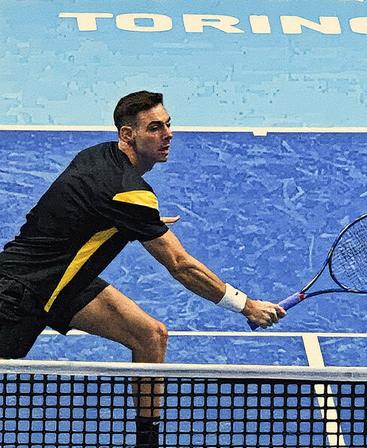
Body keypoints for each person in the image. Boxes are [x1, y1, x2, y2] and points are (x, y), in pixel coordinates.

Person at [0, 91, 285, 447]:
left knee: (150, 336)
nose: (167, 135)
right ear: (127, 134)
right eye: (154, 128)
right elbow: (181, 266)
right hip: (17, 294)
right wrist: (246, 306)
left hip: (68, 282)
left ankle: (147, 441)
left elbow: (81, 210)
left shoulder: (97, 157)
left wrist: (138, 222)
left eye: (168, 125)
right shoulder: (127, 194)